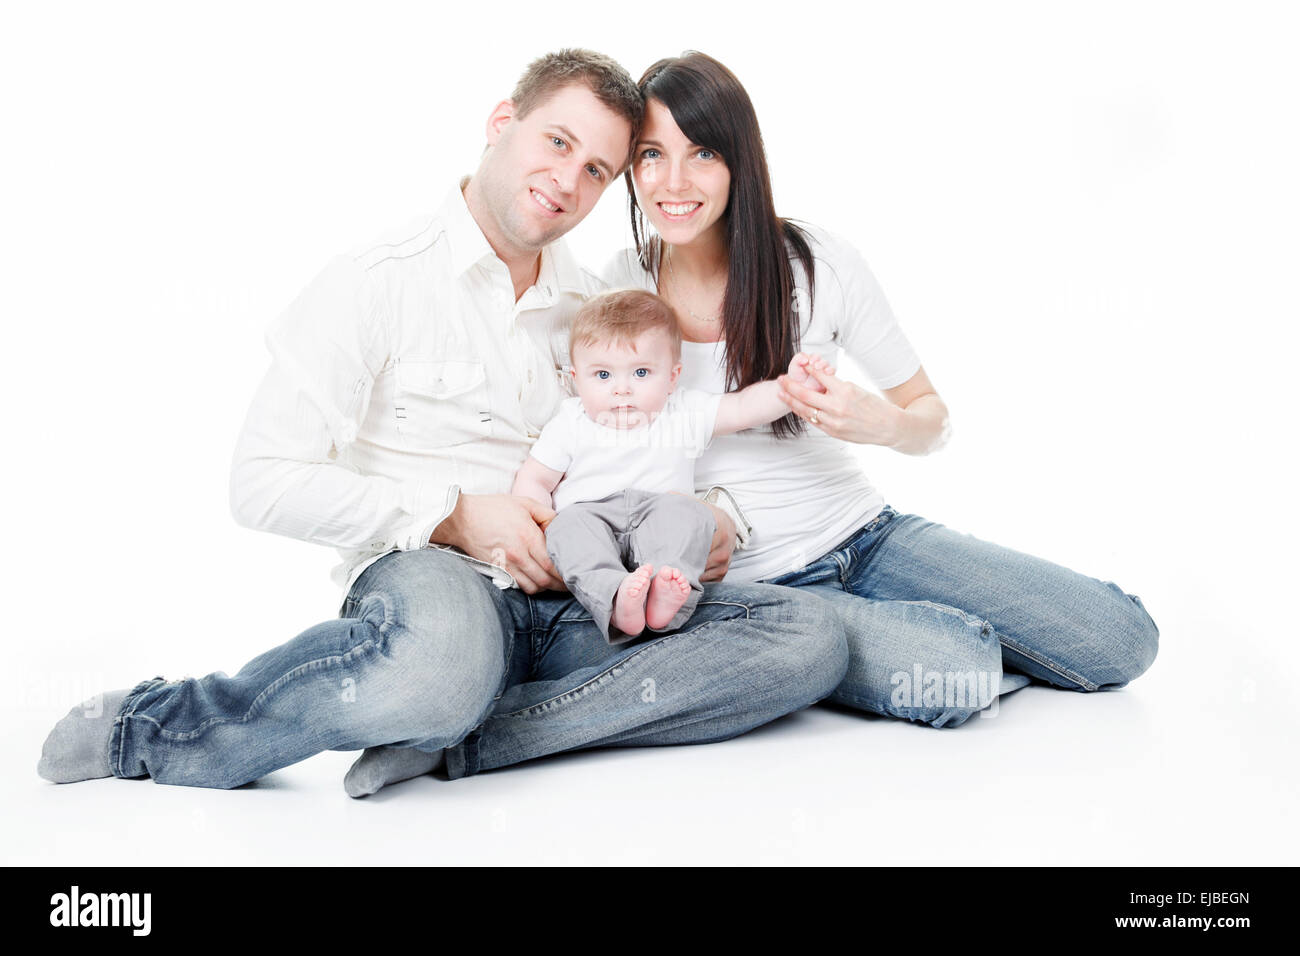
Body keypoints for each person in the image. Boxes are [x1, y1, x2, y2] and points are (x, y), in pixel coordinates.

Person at [35, 49, 850, 796]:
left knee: (805, 638)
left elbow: (647, 432)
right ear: (502, 124)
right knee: (438, 669)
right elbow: (259, 484)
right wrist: (455, 515)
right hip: (436, 581)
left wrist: (710, 519)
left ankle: (472, 739)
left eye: (597, 168)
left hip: (583, 587)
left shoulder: (589, 308)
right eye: (557, 143)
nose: (568, 180)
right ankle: (160, 723)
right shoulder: (374, 283)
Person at [599, 51, 1159, 727]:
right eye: (653, 155)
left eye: (704, 153)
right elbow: (606, 453)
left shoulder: (817, 263)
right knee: (957, 676)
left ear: (739, 161)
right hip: (763, 592)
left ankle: (935, 635)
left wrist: (877, 422)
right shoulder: (619, 284)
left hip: (868, 537)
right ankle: (918, 645)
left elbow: (931, 417)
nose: (674, 181)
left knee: (1121, 641)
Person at [512, 287, 823, 642]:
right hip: (590, 517)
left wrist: (791, 389)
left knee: (691, 515)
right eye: (603, 375)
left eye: (641, 372)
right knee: (567, 529)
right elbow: (535, 479)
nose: (622, 389)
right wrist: (540, 522)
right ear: (575, 378)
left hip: (658, 516)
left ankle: (664, 589)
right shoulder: (571, 422)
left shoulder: (682, 412)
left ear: (673, 377)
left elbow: (742, 408)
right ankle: (617, 597)